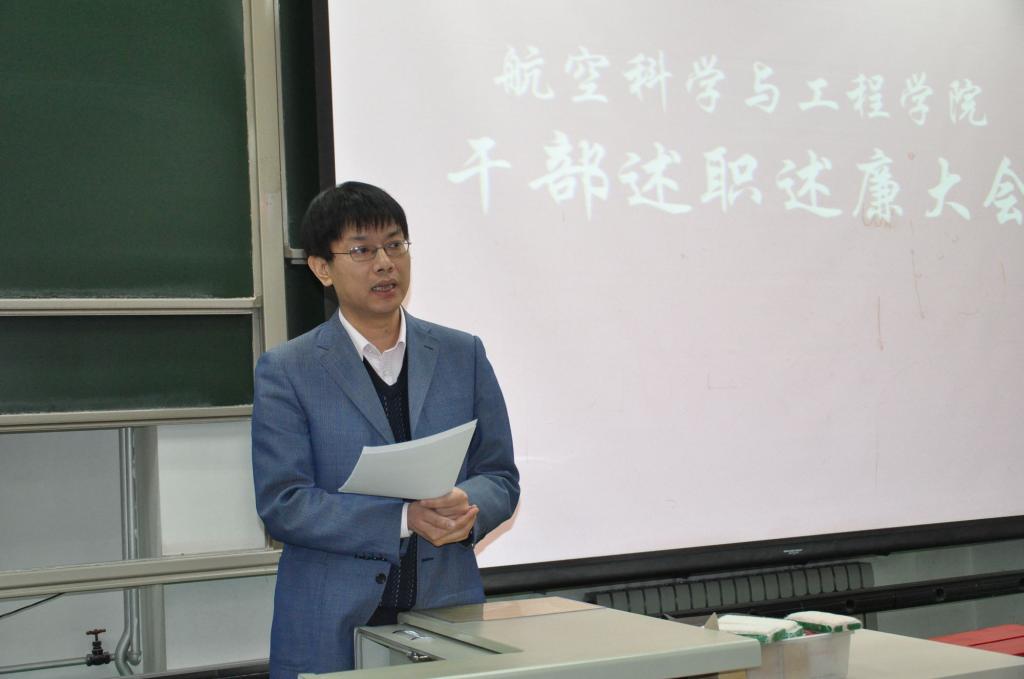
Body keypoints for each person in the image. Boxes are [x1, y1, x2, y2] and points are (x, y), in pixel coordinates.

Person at [251, 181, 519, 678]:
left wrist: (466, 505)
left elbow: (500, 476)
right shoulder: (288, 370)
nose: (384, 263)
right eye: (362, 250)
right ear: (322, 268)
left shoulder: (462, 355)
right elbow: (283, 504)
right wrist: (403, 519)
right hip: (332, 624)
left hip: (447, 616)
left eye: (395, 245)